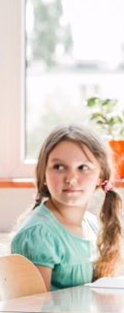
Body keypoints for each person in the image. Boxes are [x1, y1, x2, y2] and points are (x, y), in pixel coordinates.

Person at [11, 124, 122, 291]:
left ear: (100, 177)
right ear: (44, 176)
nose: (71, 178)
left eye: (83, 168)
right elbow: (35, 312)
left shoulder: (92, 225)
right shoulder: (39, 236)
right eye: (59, 167)